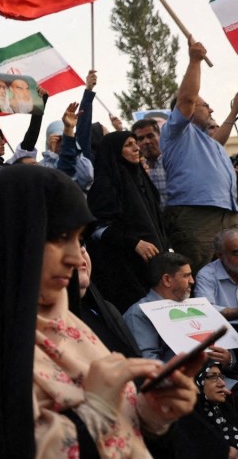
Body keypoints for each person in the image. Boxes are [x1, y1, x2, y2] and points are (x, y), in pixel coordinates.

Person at [0, 165, 198, 459]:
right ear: (10, 238)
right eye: (58, 237)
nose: (75, 257)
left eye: (79, 239)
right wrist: (95, 413)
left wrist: (151, 416)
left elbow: (128, 440)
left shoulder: (70, 327)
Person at [161, 41, 238, 273]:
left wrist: (234, 112)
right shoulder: (177, 133)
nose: (212, 110)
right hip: (197, 216)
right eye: (206, 106)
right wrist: (194, 61)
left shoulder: (205, 140)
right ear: (191, 107)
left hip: (227, 213)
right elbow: (186, 98)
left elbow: (219, 139)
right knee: (204, 272)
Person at [86, 131, 170, 313]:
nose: (136, 148)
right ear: (115, 151)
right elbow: (98, 228)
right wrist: (134, 243)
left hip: (154, 262)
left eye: (135, 143)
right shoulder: (105, 185)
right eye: (128, 145)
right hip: (124, 267)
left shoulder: (141, 179)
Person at [123, 253, 199, 363]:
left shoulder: (192, 307)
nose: (192, 281)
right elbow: (149, 363)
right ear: (167, 280)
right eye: (186, 275)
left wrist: (228, 360)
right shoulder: (139, 314)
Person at [131, 119, 167, 209]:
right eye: (140, 138)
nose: (146, 142)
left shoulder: (174, 162)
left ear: (160, 136)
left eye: (150, 136)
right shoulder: (134, 169)